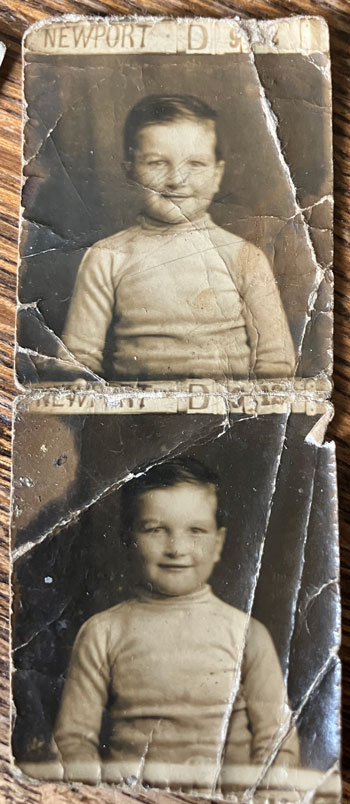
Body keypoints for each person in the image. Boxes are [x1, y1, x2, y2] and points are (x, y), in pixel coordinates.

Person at [54, 457, 299, 787]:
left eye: (196, 531)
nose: (177, 548)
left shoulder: (247, 634)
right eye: (155, 529)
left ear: (218, 542)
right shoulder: (103, 632)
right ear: (128, 540)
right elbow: (74, 740)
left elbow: (279, 741)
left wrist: (268, 792)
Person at [60, 95, 295, 382]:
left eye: (195, 163)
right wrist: (79, 382)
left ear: (217, 174)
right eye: (157, 162)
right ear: (130, 171)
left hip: (230, 418)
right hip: (136, 419)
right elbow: (77, 360)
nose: (177, 179)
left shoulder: (243, 256)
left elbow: (276, 360)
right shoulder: (107, 256)